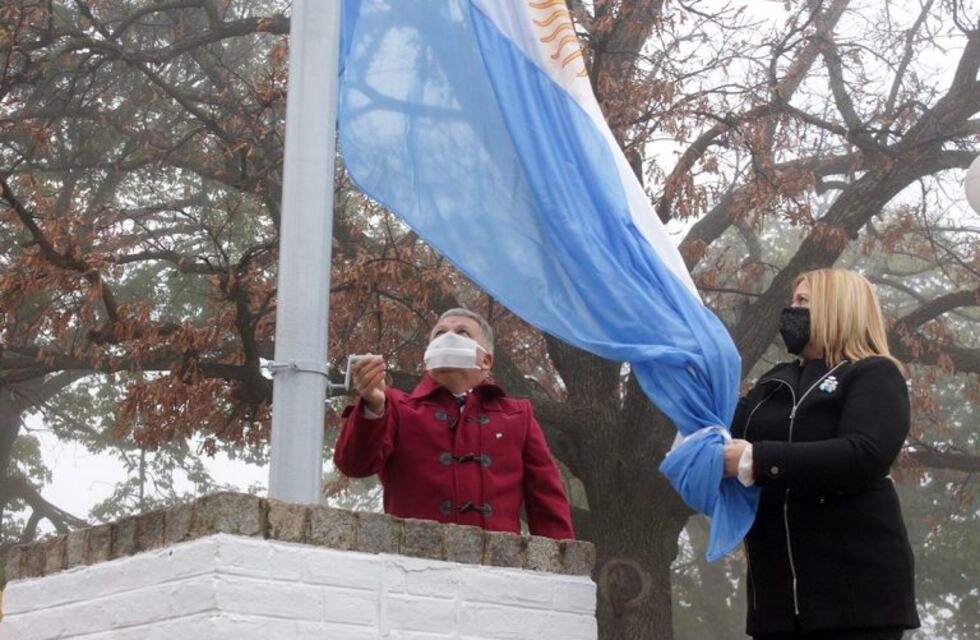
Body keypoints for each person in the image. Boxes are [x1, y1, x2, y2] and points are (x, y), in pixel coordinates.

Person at [723, 269, 920, 640]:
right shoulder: (772, 383)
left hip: (855, 605)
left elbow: (863, 454)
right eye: (792, 300)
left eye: (802, 302)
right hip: (775, 606)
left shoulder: (874, 374)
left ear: (836, 309)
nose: (790, 310)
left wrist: (758, 461)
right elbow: (725, 431)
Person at [334, 308, 574, 539]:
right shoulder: (395, 406)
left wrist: (562, 569)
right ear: (428, 355)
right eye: (439, 333)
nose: (448, 337)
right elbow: (353, 464)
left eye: (462, 333)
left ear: (486, 360)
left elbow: (547, 502)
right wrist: (374, 406)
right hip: (413, 564)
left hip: (497, 567)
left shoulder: (517, 415)